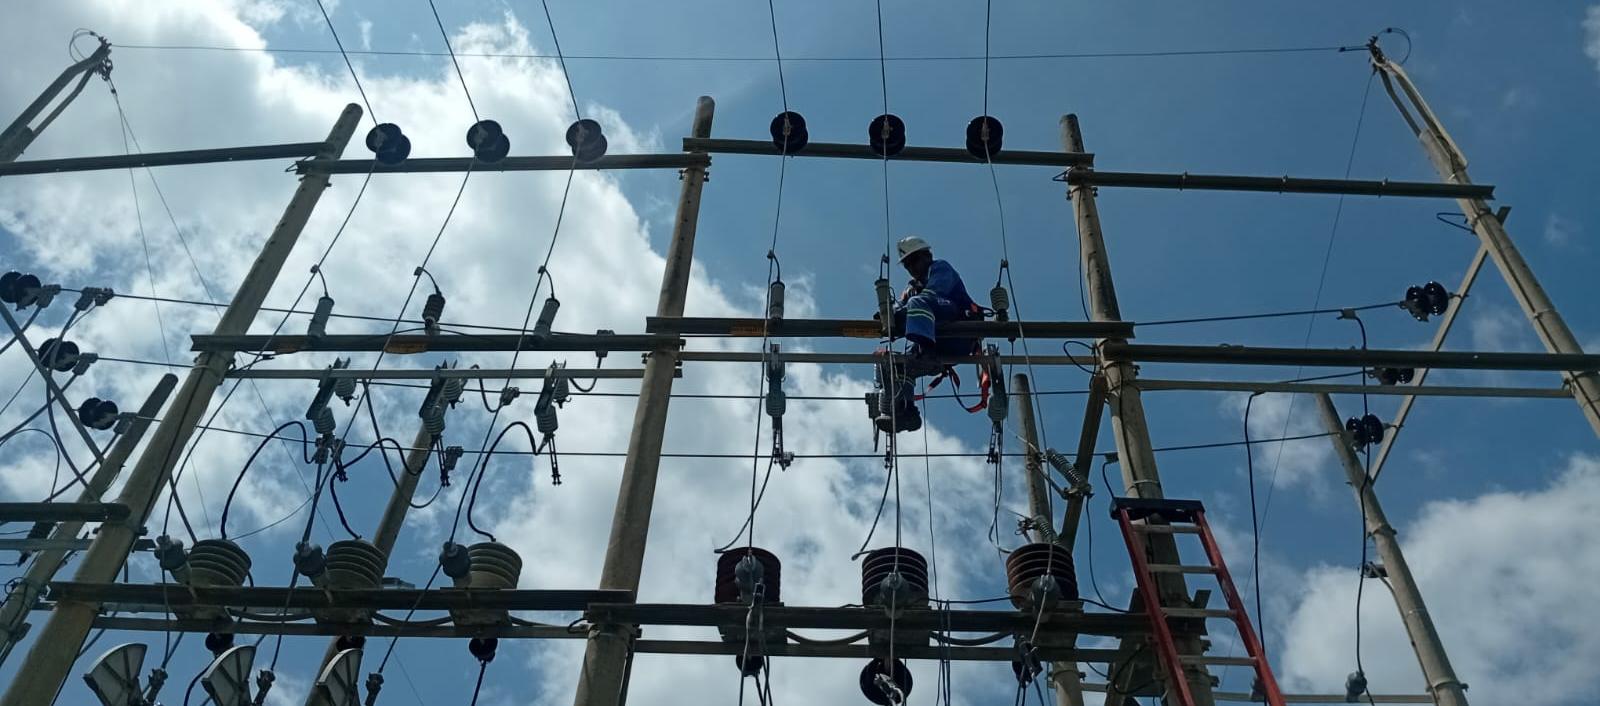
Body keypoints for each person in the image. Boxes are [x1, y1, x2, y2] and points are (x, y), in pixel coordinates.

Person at [871, 236, 981, 434]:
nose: (911, 268)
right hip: (937, 344)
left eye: (913, 261)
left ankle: (926, 353)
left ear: (927, 256)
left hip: (958, 333)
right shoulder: (911, 289)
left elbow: (933, 294)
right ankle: (906, 412)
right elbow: (899, 308)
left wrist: (899, 315)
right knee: (900, 368)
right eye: (907, 265)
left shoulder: (940, 269)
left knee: (918, 303)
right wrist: (887, 316)